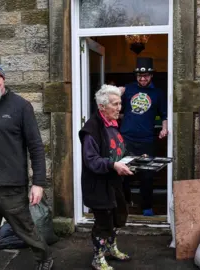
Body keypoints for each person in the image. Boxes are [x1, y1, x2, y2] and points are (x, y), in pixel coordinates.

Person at [0, 59, 53, 270]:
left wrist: (38, 183)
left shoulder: (21, 106)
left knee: (26, 231)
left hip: (11, 187)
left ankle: (44, 258)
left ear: (3, 79)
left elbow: (36, 147)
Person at [79, 84, 133, 270]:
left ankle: (111, 248)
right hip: (98, 185)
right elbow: (91, 160)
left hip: (114, 183)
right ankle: (98, 257)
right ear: (102, 107)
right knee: (103, 223)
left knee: (118, 218)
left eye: (120, 103)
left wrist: (133, 159)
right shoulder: (91, 130)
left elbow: (116, 150)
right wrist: (113, 165)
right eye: (115, 104)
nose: (119, 108)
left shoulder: (112, 123)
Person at [119, 57, 168, 216]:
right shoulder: (128, 89)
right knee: (124, 174)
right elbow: (112, 104)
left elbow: (164, 114)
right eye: (139, 76)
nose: (142, 78)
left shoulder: (158, 93)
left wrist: (164, 128)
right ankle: (124, 205)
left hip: (146, 140)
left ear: (151, 75)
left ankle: (146, 207)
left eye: (146, 75)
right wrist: (115, 91)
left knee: (147, 175)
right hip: (126, 139)